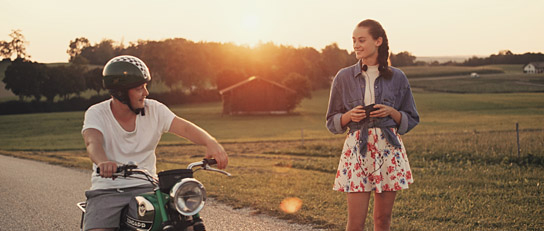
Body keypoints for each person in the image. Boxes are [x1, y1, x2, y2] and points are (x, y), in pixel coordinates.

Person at [81, 55, 228, 231]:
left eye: (145, 87)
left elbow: (185, 128)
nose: (146, 93)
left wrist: (210, 142)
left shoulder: (155, 110)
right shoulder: (97, 113)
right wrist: (102, 162)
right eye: (138, 88)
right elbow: (92, 142)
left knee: (185, 223)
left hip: (148, 188)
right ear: (120, 92)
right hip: (109, 190)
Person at [325, 19, 419, 231]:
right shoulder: (343, 77)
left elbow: (411, 117)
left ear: (378, 41)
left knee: (382, 220)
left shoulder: (398, 77)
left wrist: (392, 112)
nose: (356, 45)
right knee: (355, 223)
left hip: (388, 149)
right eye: (354, 41)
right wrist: (349, 116)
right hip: (357, 150)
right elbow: (332, 121)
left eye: (361, 40)